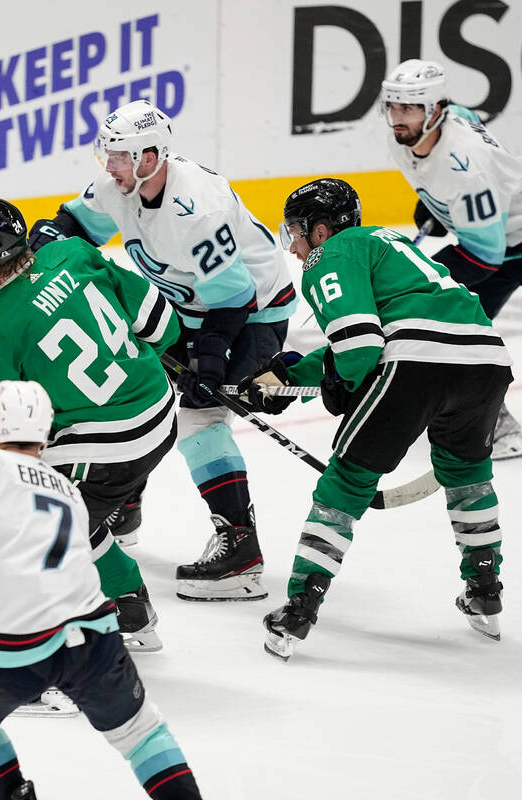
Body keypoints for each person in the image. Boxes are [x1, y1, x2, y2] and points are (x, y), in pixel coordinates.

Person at [26, 99, 297, 602]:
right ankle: (124, 503)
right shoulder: (118, 184)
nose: (111, 167)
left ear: (153, 156)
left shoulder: (197, 208)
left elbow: (235, 297)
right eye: (107, 154)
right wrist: (41, 238)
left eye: (122, 156)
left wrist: (208, 360)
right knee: (140, 389)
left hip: (253, 309)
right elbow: (77, 226)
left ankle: (242, 551)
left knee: (200, 417)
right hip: (187, 307)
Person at [0, 380, 203, 800]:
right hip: (94, 637)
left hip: (12, 645)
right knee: (142, 734)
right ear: (45, 436)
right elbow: (45, 580)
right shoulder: (66, 489)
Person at [237, 178, 512, 660]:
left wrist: (344, 384)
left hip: (418, 362)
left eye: (297, 233)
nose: (296, 247)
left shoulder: (331, 253)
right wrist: (288, 375)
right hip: (485, 360)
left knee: (346, 481)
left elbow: (361, 350)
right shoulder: (391, 242)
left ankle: (300, 607)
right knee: (468, 476)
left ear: (321, 231)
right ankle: (485, 589)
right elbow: (371, 335)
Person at [0, 197, 182, 653]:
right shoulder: (71, 252)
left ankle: (37, 659)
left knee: (29, 530)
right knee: (75, 517)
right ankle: (129, 609)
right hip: (163, 415)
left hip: (107, 450)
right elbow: (160, 323)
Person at [381, 58, 522, 459]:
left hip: (508, 245)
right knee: (462, 331)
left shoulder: (466, 167)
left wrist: (427, 276)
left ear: (433, 111)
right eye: (392, 106)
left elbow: (485, 256)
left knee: (463, 329)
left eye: (407, 108)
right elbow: (463, 112)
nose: (396, 118)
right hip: (501, 236)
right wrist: (436, 204)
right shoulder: (417, 131)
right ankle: (494, 421)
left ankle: (495, 425)